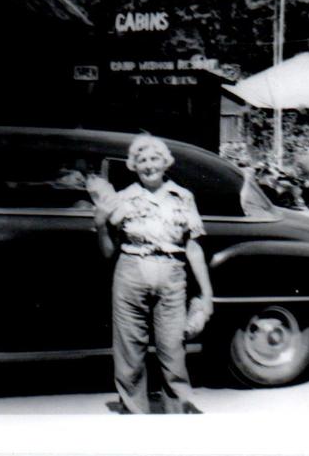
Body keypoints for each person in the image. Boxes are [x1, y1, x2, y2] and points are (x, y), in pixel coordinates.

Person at [89, 135, 214, 414]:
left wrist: (206, 294)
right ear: (133, 165)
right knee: (129, 354)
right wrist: (100, 225)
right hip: (130, 273)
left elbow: (193, 247)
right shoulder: (121, 199)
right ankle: (136, 418)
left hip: (172, 275)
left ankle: (178, 415)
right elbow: (108, 252)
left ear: (165, 162)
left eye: (154, 159)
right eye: (141, 160)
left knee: (173, 352)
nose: (148, 165)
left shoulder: (183, 197)